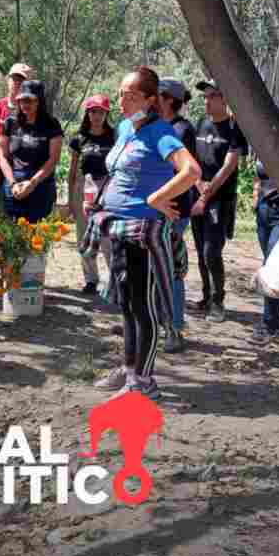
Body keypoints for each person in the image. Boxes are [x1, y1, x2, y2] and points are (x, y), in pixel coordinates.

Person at [81, 66, 199, 400]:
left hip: (144, 234)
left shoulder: (161, 133)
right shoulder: (124, 128)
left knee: (143, 308)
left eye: (131, 95)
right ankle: (130, 369)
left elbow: (191, 171)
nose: (122, 99)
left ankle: (144, 383)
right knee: (128, 306)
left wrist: (157, 198)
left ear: (149, 99)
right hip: (118, 229)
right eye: (120, 92)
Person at [190, 78, 248, 323]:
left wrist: (208, 191)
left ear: (225, 99)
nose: (207, 101)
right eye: (205, 96)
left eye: (213, 96)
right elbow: (191, 160)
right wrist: (198, 185)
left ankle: (218, 302)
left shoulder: (235, 128)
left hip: (219, 200)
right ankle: (205, 297)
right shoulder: (201, 124)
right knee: (201, 250)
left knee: (212, 251)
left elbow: (229, 166)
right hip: (197, 196)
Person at [155, 79, 198, 353]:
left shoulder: (181, 130)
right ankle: (162, 321)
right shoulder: (160, 127)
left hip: (173, 209)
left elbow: (178, 172)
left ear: (169, 99)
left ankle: (175, 328)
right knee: (158, 268)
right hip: (158, 208)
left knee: (171, 271)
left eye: (157, 94)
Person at [67, 94, 116, 297]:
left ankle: (114, 279)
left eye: (101, 112)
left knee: (108, 236)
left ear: (106, 114)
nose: (97, 116)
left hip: (108, 186)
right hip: (84, 188)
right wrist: (71, 200)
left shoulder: (114, 136)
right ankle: (90, 280)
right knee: (84, 236)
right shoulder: (79, 138)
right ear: (88, 113)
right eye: (93, 111)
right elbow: (72, 170)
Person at [0, 80, 63, 223]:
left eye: (29, 100)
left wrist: (32, 183)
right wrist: (12, 184)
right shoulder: (10, 123)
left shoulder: (51, 125)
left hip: (41, 188)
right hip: (14, 188)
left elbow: (53, 159)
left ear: (39, 101)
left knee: (38, 240)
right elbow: (3, 156)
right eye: (21, 100)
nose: (24, 104)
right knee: (13, 238)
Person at [250, 150, 279, 345]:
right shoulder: (262, 141)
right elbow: (258, 174)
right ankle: (277, 322)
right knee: (269, 263)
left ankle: (270, 324)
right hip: (264, 210)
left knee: (272, 264)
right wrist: (255, 194)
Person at [0, 63, 35, 211]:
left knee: (21, 222)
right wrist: (12, 140)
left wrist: (0, 141)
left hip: (22, 175)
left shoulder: (31, 112)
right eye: (14, 79)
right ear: (8, 80)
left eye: (22, 80)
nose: (17, 83)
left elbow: (31, 144)